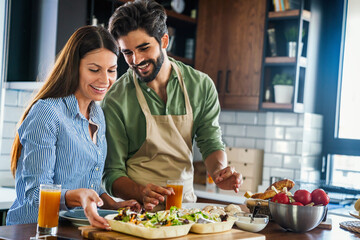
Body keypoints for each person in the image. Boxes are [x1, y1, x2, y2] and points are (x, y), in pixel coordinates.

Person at [101, 0, 243, 211]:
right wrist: (141, 192)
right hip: (136, 215)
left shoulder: (200, 86)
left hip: (185, 211)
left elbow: (210, 142)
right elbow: (112, 174)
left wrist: (219, 172)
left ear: (164, 41)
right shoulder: (115, 99)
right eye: (127, 52)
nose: (136, 59)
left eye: (144, 48)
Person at [6, 25, 140, 228]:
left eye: (112, 70)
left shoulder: (97, 115)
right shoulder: (47, 113)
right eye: (94, 70)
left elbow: (89, 183)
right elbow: (35, 195)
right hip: (33, 231)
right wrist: (77, 197)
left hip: (72, 230)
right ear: (73, 67)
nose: (105, 79)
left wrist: (114, 205)